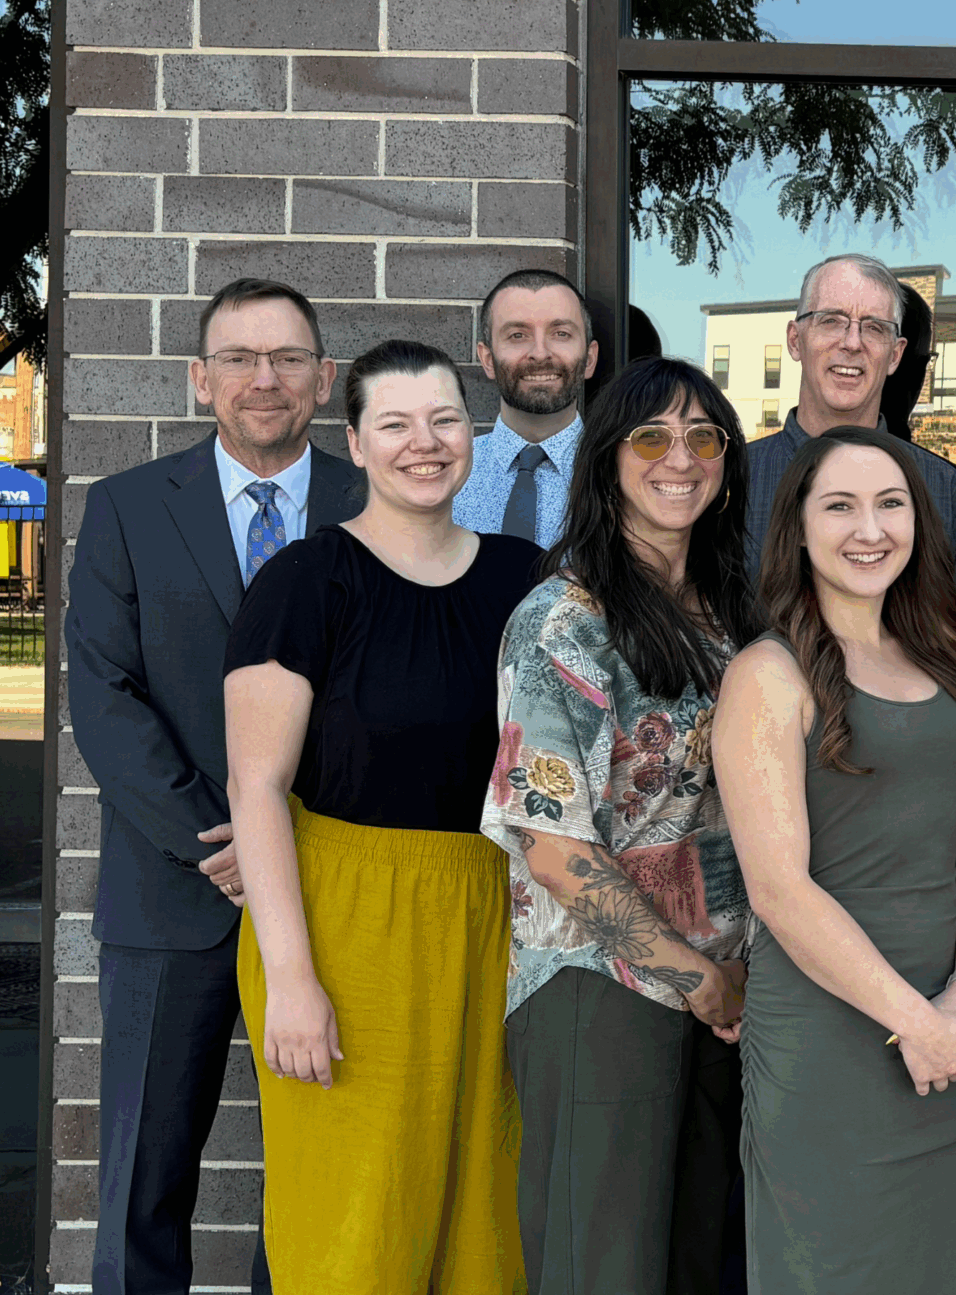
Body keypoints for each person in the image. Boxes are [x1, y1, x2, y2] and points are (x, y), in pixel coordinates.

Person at [222, 339, 545, 1290]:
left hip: (497, 916)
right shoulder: (306, 583)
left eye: (445, 420)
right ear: (354, 443)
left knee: (487, 1203)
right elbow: (256, 789)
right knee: (358, 1219)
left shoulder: (528, 578)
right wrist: (292, 980)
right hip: (345, 922)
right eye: (395, 424)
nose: (425, 443)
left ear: (471, 435)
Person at [67, 278, 363, 1295]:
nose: (264, 378)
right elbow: (105, 699)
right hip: (171, 896)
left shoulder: (373, 508)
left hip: (335, 893)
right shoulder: (129, 508)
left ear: (324, 379)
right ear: (201, 381)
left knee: (322, 1174)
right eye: (239, 358)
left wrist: (296, 841)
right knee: (144, 1177)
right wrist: (228, 839)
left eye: (287, 357)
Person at [482, 358, 761, 1294]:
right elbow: (555, 848)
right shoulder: (564, 620)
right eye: (651, 437)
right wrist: (695, 980)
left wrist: (724, 981)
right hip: (598, 985)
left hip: (719, 989)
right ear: (606, 462)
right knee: (602, 1265)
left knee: (692, 1259)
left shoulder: (731, 617)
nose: (679, 458)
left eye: (703, 437)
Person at [714, 425, 956, 1292]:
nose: (868, 528)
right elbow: (778, 889)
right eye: (838, 506)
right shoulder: (767, 675)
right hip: (830, 1041)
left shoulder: (944, 653)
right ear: (796, 528)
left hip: (952, 1036)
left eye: (890, 504)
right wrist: (916, 1023)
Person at [742, 253, 956, 613]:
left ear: (895, 355)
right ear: (795, 340)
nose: (852, 343)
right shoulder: (735, 480)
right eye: (831, 321)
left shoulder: (944, 493)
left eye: (874, 328)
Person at [452, 268, 599, 549]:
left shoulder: (623, 473)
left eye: (561, 333)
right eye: (518, 335)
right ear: (487, 359)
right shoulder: (446, 472)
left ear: (589, 358)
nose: (540, 353)